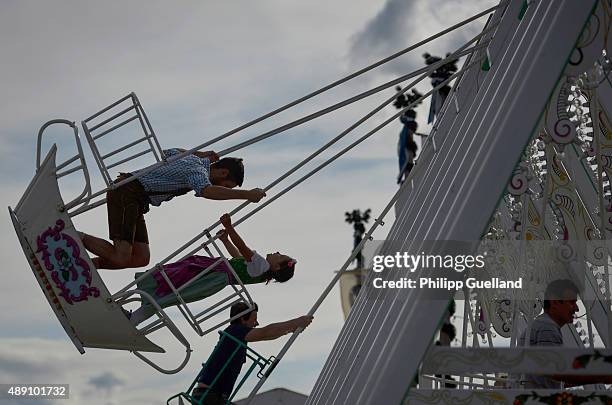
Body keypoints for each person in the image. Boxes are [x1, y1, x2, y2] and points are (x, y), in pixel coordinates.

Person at [80, 148, 266, 270]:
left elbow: (168, 152)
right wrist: (247, 195)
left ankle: (84, 265)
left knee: (141, 258)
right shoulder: (198, 171)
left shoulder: (193, 158)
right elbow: (207, 191)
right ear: (223, 172)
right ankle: (77, 238)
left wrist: (200, 153)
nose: (224, 189)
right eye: (226, 185)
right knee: (121, 256)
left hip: (138, 199)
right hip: (128, 191)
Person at [128, 213, 296, 325]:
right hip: (216, 275)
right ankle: (135, 316)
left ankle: (135, 314)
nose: (277, 252)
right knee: (173, 290)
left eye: (280, 256)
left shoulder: (263, 265)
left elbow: (242, 248)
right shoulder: (260, 271)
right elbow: (238, 256)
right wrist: (225, 240)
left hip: (215, 273)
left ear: (276, 267)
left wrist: (229, 228)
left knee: (175, 280)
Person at [191, 302, 313, 405]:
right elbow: (265, 332)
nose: (256, 323)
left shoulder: (235, 336)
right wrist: (296, 322)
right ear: (242, 319)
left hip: (209, 395)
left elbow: (267, 335)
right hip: (209, 396)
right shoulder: (235, 331)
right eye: (254, 319)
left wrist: (290, 329)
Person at [518, 279, 612, 388]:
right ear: (555, 302)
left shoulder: (542, 325)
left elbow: (554, 378)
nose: (576, 308)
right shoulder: (547, 328)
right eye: (572, 302)